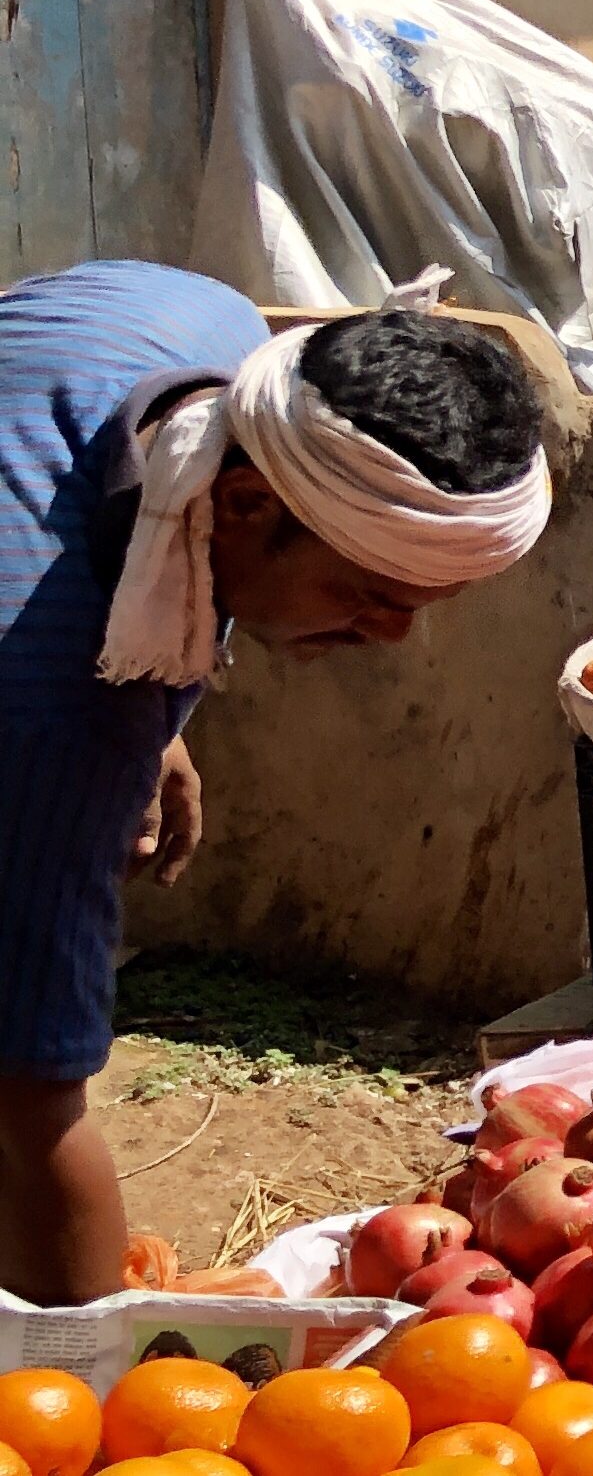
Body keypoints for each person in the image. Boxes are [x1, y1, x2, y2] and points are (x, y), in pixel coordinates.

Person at [2, 268, 553, 1301]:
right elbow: (31, 1099)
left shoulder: (199, 324)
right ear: (247, 503)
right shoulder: (52, 714)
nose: (395, 636)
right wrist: (95, 1384)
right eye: (369, 593)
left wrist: (160, 707)